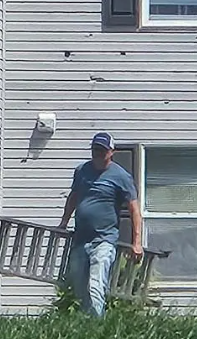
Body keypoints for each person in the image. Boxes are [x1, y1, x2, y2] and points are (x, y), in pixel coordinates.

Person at [58, 132, 143, 317]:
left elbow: (134, 210)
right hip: (81, 239)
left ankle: (97, 327)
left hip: (104, 240)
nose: (98, 153)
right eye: (95, 149)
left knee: (95, 285)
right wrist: (64, 222)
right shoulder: (81, 171)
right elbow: (73, 197)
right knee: (80, 289)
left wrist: (137, 242)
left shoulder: (121, 176)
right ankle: (86, 327)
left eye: (102, 150)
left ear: (111, 152)